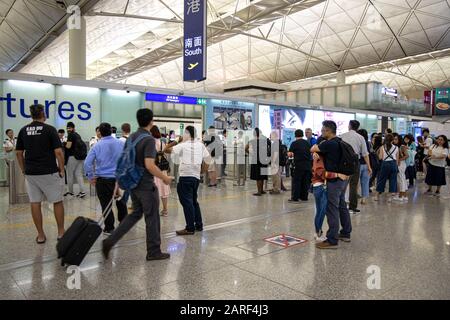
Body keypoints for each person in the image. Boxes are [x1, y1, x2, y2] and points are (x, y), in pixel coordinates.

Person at [102, 109, 173, 261]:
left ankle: (110, 240)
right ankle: (153, 251)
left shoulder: (133, 136)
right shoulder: (148, 139)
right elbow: (149, 165)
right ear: (151, 121)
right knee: (152, 217)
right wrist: (164, 178)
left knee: (135, 214)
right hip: (146, 185)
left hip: (133, 183)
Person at [15, 104, 65, 244]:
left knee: (35, 203)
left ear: (31, 115)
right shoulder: (49, 129)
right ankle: (61, 232)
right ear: (43, 114)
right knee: (57, 201)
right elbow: (58, 152)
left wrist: (24, 169)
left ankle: (41, 235)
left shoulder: (23, 130)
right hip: (49, 171)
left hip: (31, 173)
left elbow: (19, 153)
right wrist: (61, 169)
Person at [311, 121, 351, 249]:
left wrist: (321, 140)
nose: (322, 133)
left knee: (331, 208)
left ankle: (332, 240)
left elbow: (312, 148)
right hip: (343, 179)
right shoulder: (340, 142)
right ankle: (345, 232)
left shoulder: (328, 144)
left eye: (323, 131)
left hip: (334, 180)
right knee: (342, 205)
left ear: (328, 131)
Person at [164, 126, 211, 235]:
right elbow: (208, 160)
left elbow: (165, 149)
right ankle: (199, 225)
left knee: (187, 202)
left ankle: (190, 228)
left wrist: (176, 140)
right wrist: (202, 172)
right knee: (194, 201)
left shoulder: (182, 145)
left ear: (187, 134)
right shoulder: (201, 145)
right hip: (195, 178)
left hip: (185, 177)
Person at [84, 122, 127, 234]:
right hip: (119, 179)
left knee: (105, 203)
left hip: (103, 179)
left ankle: (109, 228)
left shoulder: (96, 146)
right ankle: (124, 223)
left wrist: (90, 176)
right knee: (121, 201)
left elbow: (87, 163)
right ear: (112, 131)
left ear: (100, 133)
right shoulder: (121, 143)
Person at [340, 120, 372, 214]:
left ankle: (340, 204)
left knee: (342, 184)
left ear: (349, 126)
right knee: (353, 185)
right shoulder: (361, 138)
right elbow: (365, 154)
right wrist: (369, 166)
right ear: (357, 128)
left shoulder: (342, 136)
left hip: (343, 162)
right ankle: (352, 207)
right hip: (355, 162)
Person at [150, 125, 171, 217]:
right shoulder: (162, 142)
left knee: (154, 190)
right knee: (164, 190)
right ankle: (165, 210)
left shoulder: (150, 142)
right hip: (162, 169)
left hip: (154, 169)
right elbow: (169, 151)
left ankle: (154, 210)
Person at [288, 129, 311, 202]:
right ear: (302, 135)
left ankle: (295, 197)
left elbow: (290, 154)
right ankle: (304, 197)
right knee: (305, 181)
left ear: (295, 135)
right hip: (308, 165)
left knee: (297, 181)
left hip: (299, 165)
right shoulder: (307, 143)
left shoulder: (294, 143)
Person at [65, 122, 87, 198]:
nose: (68, 129)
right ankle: (82, 191)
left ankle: (70, 192)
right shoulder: (77, 135)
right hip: (80, 157)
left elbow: (68, 146)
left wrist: (63, 144)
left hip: (72, 157)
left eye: (69, 128)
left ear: (73, 128)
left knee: (69, 174)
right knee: (79, 174)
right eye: (67, 128)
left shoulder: (70, 135)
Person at [311, 137, 327, 242]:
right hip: (321, 185)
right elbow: (319, 171)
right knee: (322, 210)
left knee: (320, 210)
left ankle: (318, 231)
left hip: (317, 185)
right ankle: (318, 232)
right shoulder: (319, 156)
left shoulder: (317, 155)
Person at [375, 133, 399, 201]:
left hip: (385, 164)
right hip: (393, 164)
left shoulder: (382, 147)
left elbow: (380, 157)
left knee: (381, 180)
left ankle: (377, 196)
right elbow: (397, 159)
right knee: (393, 180)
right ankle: (389, 198)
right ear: (392, 140)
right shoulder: (396, 148)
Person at [246, 128, 269, 196]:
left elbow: (245, 148)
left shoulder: (252, 141)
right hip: (264, 159)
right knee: (262, 175)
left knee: (257, 176)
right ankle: (261, 190)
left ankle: (259, 191)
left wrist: (251, 153)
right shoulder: (264, 140)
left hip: (256, 159)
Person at [393, 134, 409, 202]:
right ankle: (404, 195)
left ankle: (401, 195)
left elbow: (407, 155)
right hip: (400, 164)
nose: (394, 140)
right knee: (402, 179)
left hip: (401, 164)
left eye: (396, 139)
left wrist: (399, 160)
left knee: (401, 179)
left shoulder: (402, 146)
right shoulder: (397, 146)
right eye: (394, 139)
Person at [357, 129, 371, 205]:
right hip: (366, 164)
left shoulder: (357, 142)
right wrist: (369, 166)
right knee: (365, 182)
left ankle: (354, 196)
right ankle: (364, 199)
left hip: (357, 164)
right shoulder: (367, 143)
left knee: (355, 182)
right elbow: (367, 154)